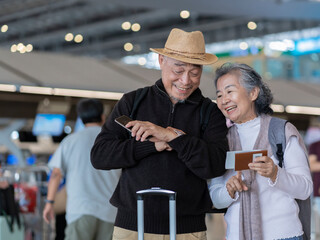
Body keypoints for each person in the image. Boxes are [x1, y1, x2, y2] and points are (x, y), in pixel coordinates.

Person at [91, 28, 228, 240]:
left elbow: (216, 165)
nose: (185, 81)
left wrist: (172, 137)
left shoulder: (210, 112)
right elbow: (100, 155)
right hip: (132, 227)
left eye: (194, 73)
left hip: (187, 230)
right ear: (161, 60)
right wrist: (152, 145)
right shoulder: (133, 101)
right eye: (178, 70)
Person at [209, 63, 313, 240]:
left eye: (230, 91)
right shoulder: (221, 140)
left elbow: (305, 188)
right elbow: (214, 197)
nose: (224, 100)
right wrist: (228, 191)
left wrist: (275, 173)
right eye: (219, 95)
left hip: (284, 235)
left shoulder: (281, 132)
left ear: (253, 93)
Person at [43, 99, 121, 240]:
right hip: (110, 212)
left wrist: (50, 203)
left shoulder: (70, 141)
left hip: (81, 209)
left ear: (81, 118)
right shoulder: (114, 141)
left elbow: (56, 174)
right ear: (103, 116)